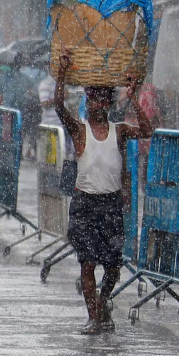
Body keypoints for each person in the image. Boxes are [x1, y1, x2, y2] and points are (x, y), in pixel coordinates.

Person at [54, 57, 153, 334]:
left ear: (109, 105)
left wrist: (133, 97)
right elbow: (59, 107)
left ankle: (102, 301)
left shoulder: (119, 132)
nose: (98, 106)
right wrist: (61, 74)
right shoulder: (79, 130)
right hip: (85, 205)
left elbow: (147, 131)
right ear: (88, 103)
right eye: (94, 101)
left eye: (103, 101)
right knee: (87, 263)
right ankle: (92, 317)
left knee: (112, 267)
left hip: (110, 204)